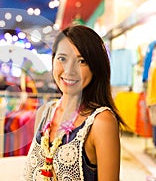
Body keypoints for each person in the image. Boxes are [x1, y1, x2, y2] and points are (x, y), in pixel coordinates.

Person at [23, 25, 126, 181]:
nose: (70, 70)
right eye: (62, 58)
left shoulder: (101, 122)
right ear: (53, 60)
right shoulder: (44, 113)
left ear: (95, 67)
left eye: (82, 61)